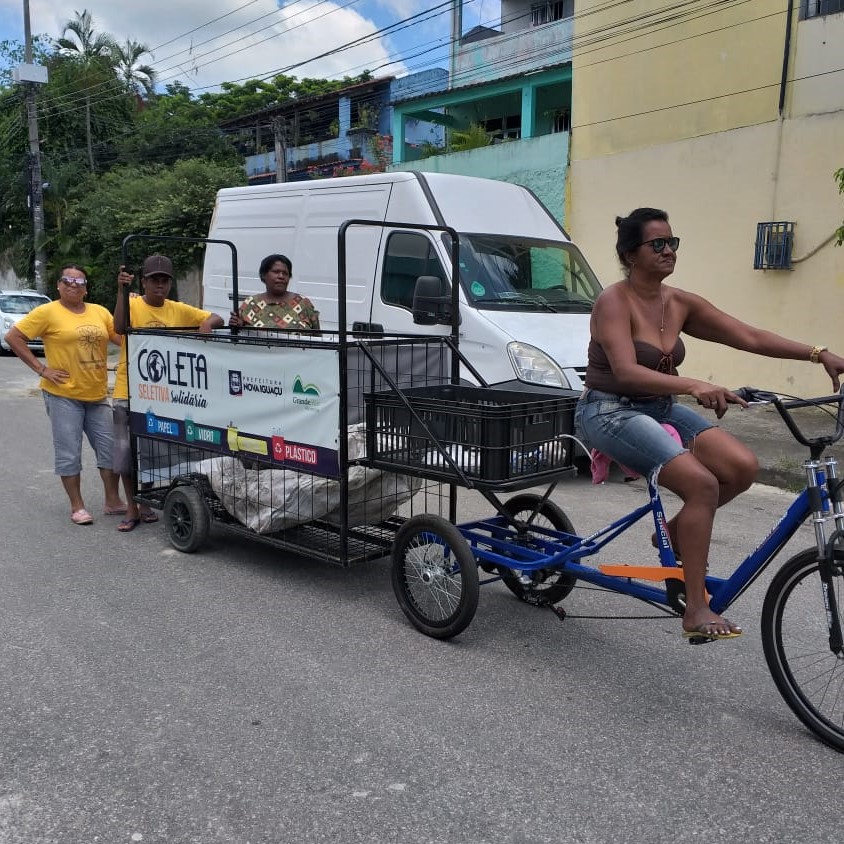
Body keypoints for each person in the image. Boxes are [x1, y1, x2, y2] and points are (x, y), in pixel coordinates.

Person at [575, 207, 844, 642]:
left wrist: (818, 353)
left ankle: (680, 530)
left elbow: (750, 336)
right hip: (609, 410)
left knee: (740, 467)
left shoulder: (678, 302)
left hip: (658, 408)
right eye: (657, 244)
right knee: (701, 485)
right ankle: (696, 607)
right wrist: (694, 383)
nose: (668, 251)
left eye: (672, 243)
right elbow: (624, 371)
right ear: (630, 253)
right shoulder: (613, 301)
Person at [5, 264, 126, 525]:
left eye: (79, 281)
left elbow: (122, 338)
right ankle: (77, 506)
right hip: (63, 396)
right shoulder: (47, 312)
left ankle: (113, 500)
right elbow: (14, 337)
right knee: (69, 452)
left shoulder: (99, 311)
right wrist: (41, 369)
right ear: (59, 285)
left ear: (86, 288)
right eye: (67, 280)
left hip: (96, 396)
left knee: (110, 450)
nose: (72, 284)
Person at [112, 255, 224, 532]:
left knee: (151, 450)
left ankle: (145, 501)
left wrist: (207, 324)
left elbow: (216, 316)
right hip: (129, 389)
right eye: (154, 280)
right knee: (126, 452)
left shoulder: (177, 309)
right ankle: (131, 505)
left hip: (161, 394)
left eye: (164, 280)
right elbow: (118, 327)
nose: (159, 285)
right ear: (144, 282)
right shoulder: (133, 304)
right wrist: (121, 291)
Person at [228, 254, 320, 330]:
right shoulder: (250, 304)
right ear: (264, 275)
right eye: (276, 272)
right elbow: (238, 336)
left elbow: (317, 338)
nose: (281, 276)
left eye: (285, 273)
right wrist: (237, 325)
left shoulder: (303, 303)